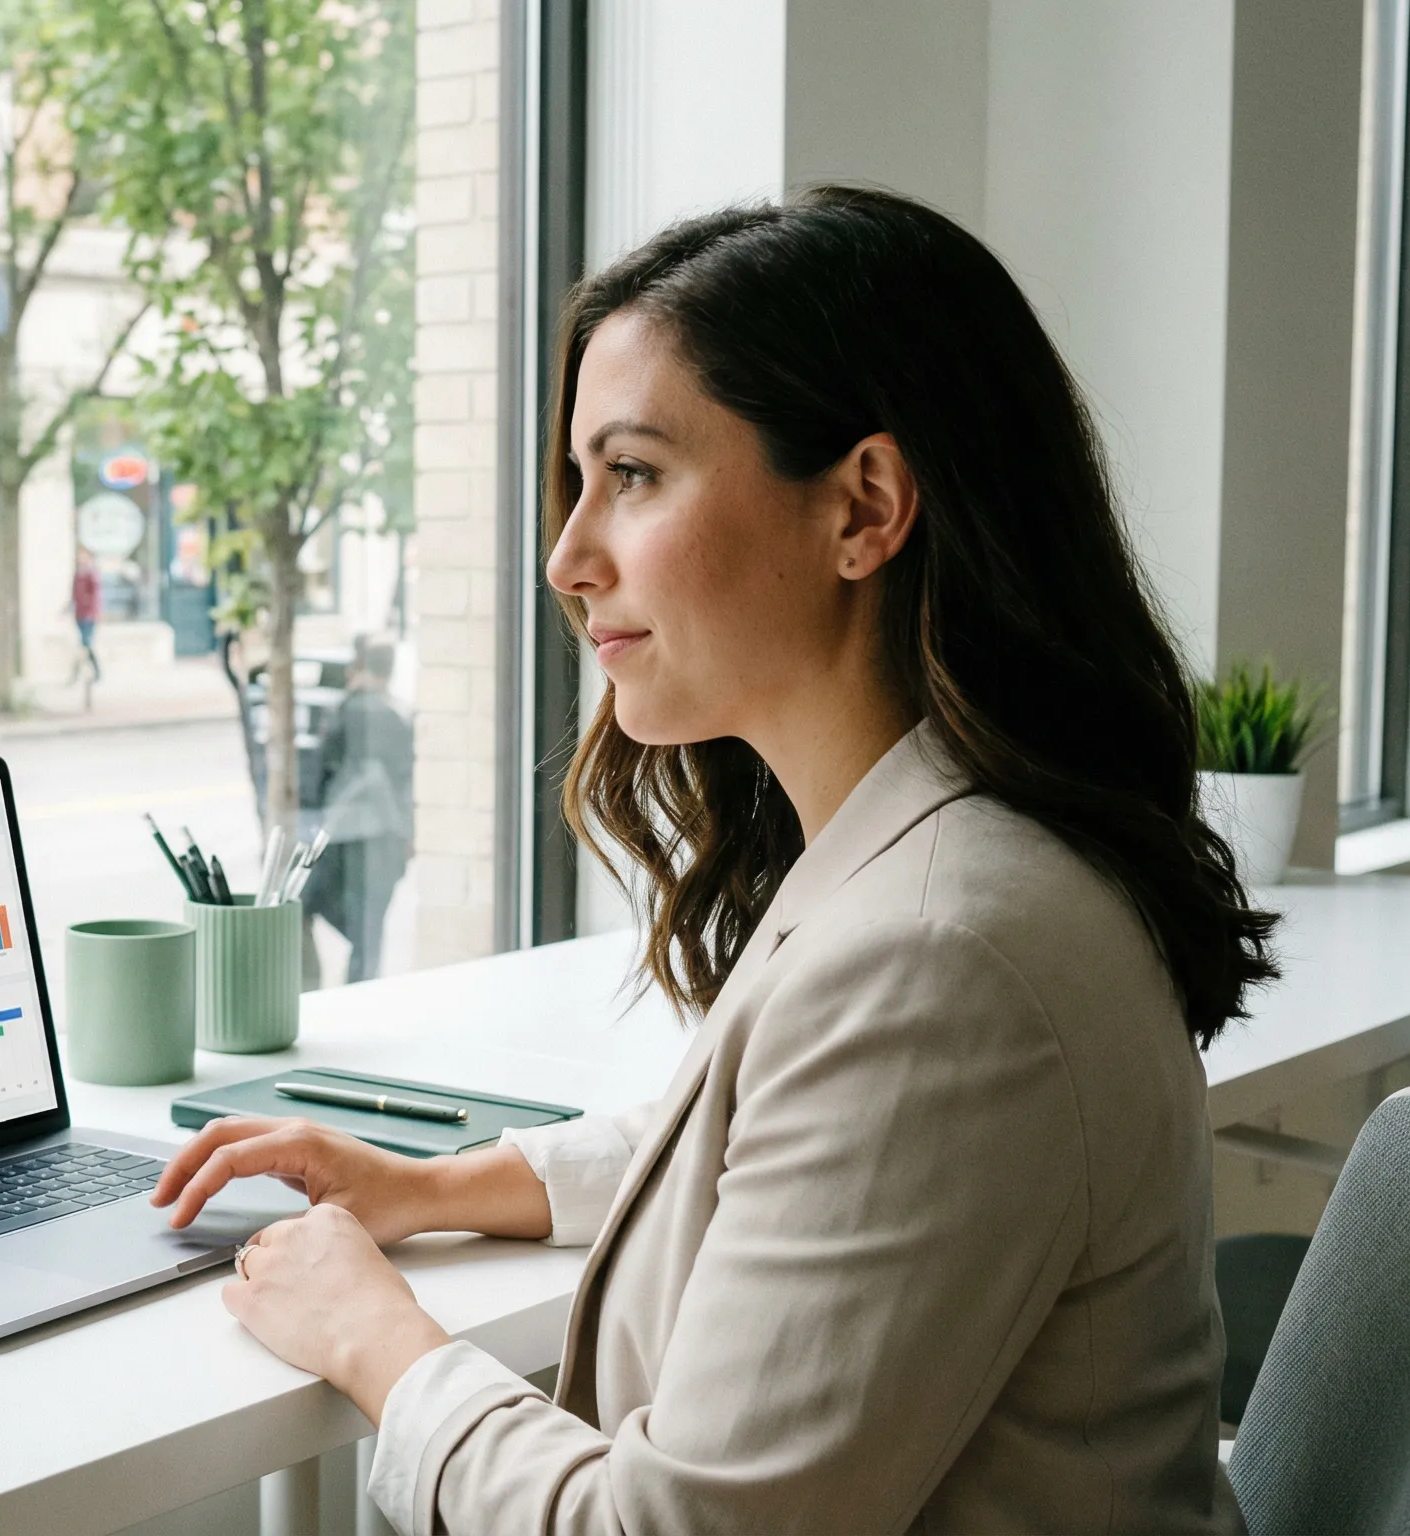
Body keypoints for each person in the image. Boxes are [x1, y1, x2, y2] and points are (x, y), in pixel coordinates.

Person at [149, 187, 1273, 1534]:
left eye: (631, 477)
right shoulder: (944, 856)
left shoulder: (941, 955)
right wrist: (439, 1189)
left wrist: (378, 1343)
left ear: (864, 508)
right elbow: (789, 1167)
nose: (569, 558)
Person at [301, 635, 414, 982]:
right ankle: (358, 996)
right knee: (368, 933)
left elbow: (317, 777)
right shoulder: (400, 716)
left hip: (340, 834)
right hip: (386, 837)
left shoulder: (347, 711)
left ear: (357, 668)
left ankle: (312, 987)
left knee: (301, 908)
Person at [70, 547, 103, 686]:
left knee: (85, 644)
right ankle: (92, 672)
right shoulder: (77, 575)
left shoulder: (91, 575)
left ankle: (78, 673)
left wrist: (96, 612)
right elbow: (73, 596)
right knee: (85, 645)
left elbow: (96, 595)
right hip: (79, 614)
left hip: (89, 615)